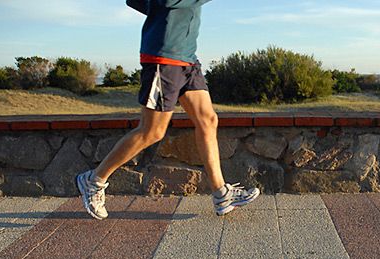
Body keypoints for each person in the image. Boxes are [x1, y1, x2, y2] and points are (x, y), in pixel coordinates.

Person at [76, 0, 259, 220]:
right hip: (163, 58)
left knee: (208, 120)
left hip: (187, 59)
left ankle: (221, 194)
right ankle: (93, 180)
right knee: (152, 131)